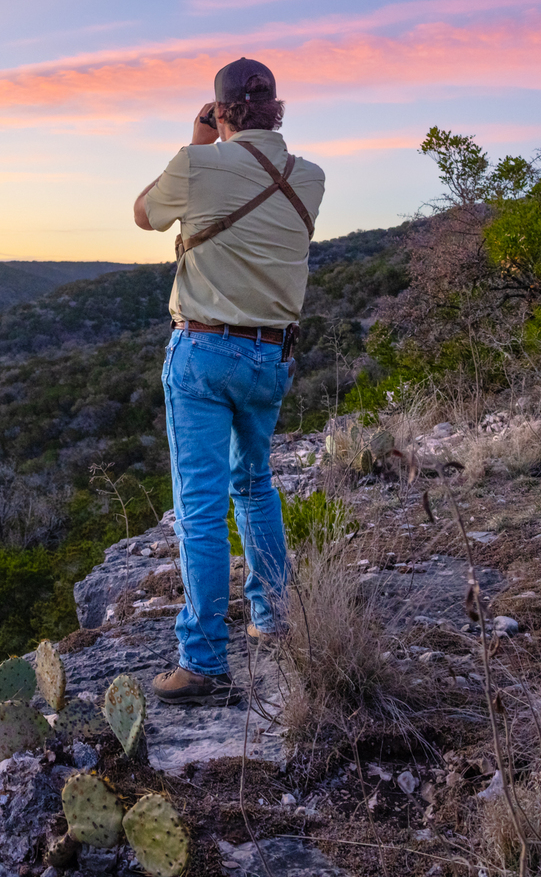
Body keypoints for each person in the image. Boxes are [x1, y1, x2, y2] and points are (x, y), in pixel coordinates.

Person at [132, 57, 325, 706]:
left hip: (205, 353)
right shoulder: (311, 178)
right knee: (254, 483)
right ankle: (271, 620)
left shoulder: (200, 164)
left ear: (219, 111)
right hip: (271, 358)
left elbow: (144, 215)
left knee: (200, 506)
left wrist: (197, 142)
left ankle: (205, 661)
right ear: (277, 105)